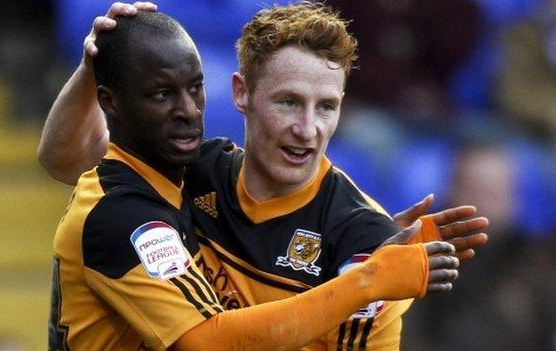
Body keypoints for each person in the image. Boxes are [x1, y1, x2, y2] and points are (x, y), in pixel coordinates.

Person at [43, 3, 487, 350]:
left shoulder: (365, 242)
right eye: (289, 102)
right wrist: (95, 63)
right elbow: (66, 159)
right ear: (242, 94)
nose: (307, 128)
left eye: (326, 107)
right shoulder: (188, 171)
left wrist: (366, 279)